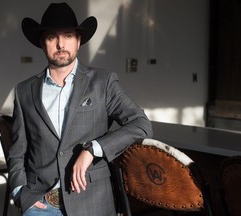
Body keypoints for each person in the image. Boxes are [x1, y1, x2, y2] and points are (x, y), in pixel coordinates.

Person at [8, 2, 153, 216]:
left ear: (78, 41)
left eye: (67, 36)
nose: (60, 44)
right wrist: (21, 192)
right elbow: (18, 151)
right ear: (42, 43)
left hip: (91, 201)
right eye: (51, 37)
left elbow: (141, 124)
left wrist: (93, 148)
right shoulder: (24, 91)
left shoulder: (102, 82)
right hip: (40, 203)